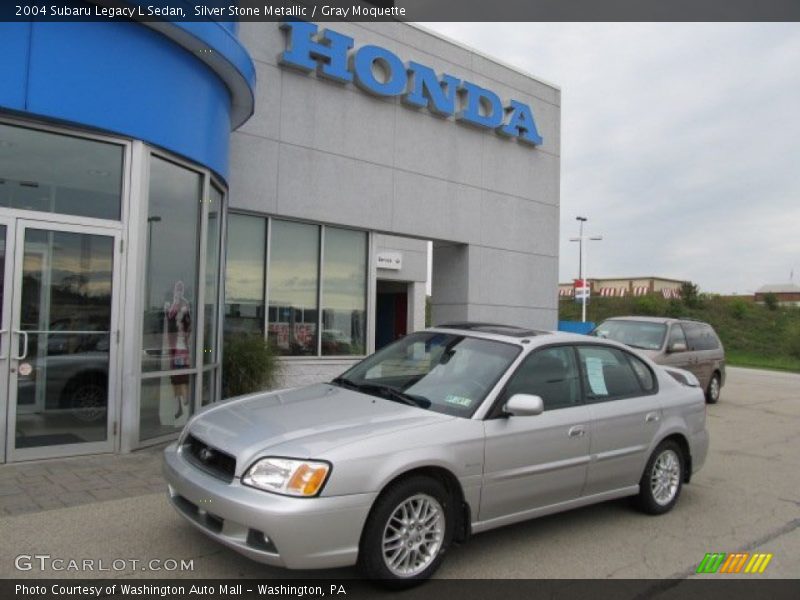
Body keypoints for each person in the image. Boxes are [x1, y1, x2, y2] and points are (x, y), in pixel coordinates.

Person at [165, 280, 191, 419]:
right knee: (175, 379)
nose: (178, 291)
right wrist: (169, 309)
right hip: (174, 348)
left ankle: (185, 404)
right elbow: (169, 318)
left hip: (182, 348)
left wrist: (183, 313)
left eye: (181, 289)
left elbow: (188, 324)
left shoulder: (185, 304)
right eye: (177, 288)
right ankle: (179, 407)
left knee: (182, 377)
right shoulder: (173, 304)